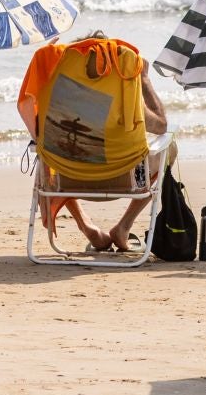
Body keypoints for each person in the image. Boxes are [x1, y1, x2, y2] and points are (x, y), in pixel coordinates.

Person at [18, 44, 171, 253]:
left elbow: (36, 127)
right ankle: (124, 226)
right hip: (123, 181)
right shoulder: (124, 90)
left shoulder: (55, 97)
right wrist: (144, 78)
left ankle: (87, 226)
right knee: (170, 149)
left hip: (67, 181)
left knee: (55, 153)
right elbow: (161, 125)